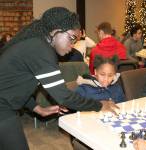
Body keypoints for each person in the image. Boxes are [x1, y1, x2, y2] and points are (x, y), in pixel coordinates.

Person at [0, 7, 119, 150]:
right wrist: (100, 105)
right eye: (72, 38)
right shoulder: (40, 49)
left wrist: (38, 109)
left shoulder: (36, 44)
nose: (72, 45)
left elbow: (16, 86)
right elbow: (65, 97)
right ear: (56, 31)